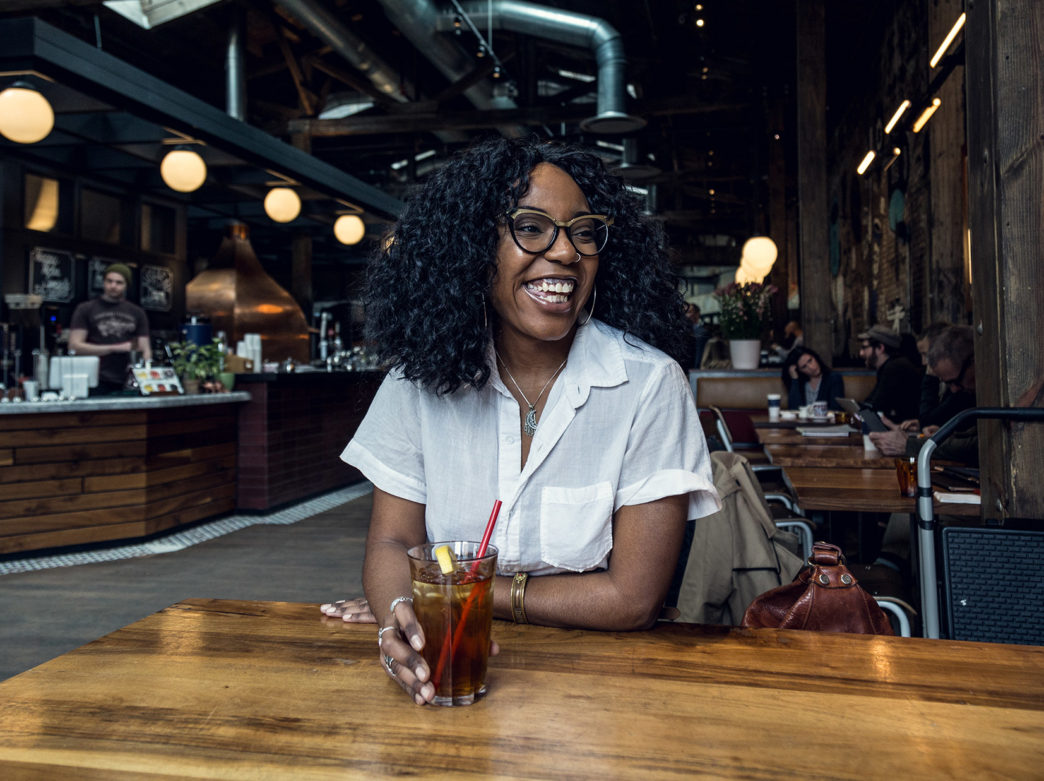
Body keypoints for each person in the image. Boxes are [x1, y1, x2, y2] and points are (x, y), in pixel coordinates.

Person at [319, 137, 720, 705]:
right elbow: (391, 541)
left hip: (605, 691)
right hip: (447, 681)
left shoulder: (648, 386)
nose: (565, 253)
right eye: (531, 227)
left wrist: (455, 594)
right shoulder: (416, 386)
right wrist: (398, 624)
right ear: (473, 248)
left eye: (583, 232)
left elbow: (632, 599)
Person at [870, 325, 978, 464]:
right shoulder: (962, 381)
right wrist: (947, 433)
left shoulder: (972, 389)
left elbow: (977, 446)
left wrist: (911, 445)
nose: (954, 390)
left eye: (926, 355)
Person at [69, 263, 152, 394]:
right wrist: (115, 348)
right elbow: (74, 347)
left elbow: (145, 350)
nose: (113, 286)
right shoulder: (86, 309)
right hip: (94, 379)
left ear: (126, 286)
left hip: (127, 380)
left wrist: (144, 373)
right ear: (103, 282)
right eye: (109, 281)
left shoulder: (137, 312)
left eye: (119, 282)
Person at [856, 324, 921, 424]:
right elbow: (871, 403)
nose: (861, 353)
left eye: (865, 348)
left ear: (880, 348)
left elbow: (877, 406)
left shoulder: (895, 367)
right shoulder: (889, 367)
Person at [786, 347, 845, 411]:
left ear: (815, 357)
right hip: (804, 421)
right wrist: (795, 379)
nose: (811, 367)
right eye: (804, 366)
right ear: (799, 371)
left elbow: (836, 409)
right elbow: (793, 410)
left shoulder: (834, 378)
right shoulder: (800, 384)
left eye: (810, 360)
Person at [684, 302, 710, 369]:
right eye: (685, 312)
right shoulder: (684, 331)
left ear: (697, 314)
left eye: (689, 312)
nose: (687, 315)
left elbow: (699, 357)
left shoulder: (702, 333)